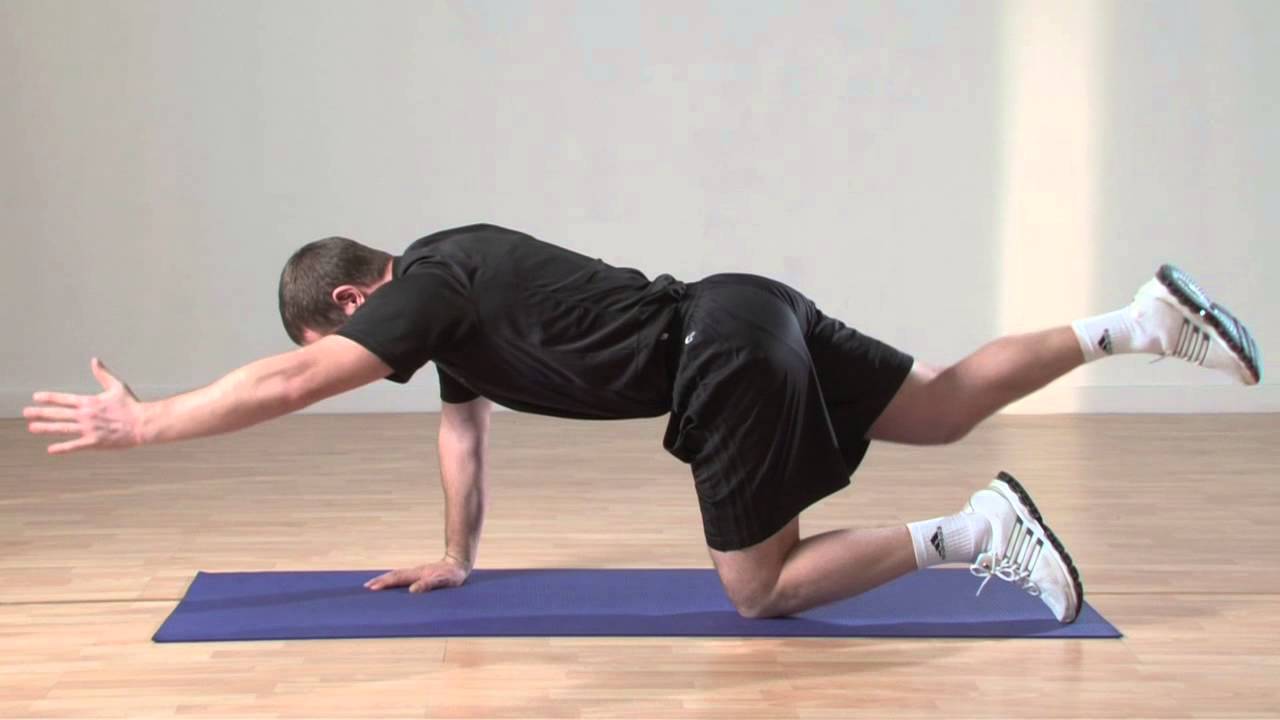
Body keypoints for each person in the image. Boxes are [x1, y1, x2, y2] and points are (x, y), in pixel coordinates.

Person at [24, 223, 1261, 624]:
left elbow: (288, 388)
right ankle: (1136, 324)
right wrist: (457, 555)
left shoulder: (419, 292)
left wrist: (149, 424)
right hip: (743, 304)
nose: (354, 359)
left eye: (337, 338)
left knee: (758, 590)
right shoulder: (453, 296)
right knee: (934, 404)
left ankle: (979, 530)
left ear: (351, 302)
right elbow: (462, 435)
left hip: (714, 359)